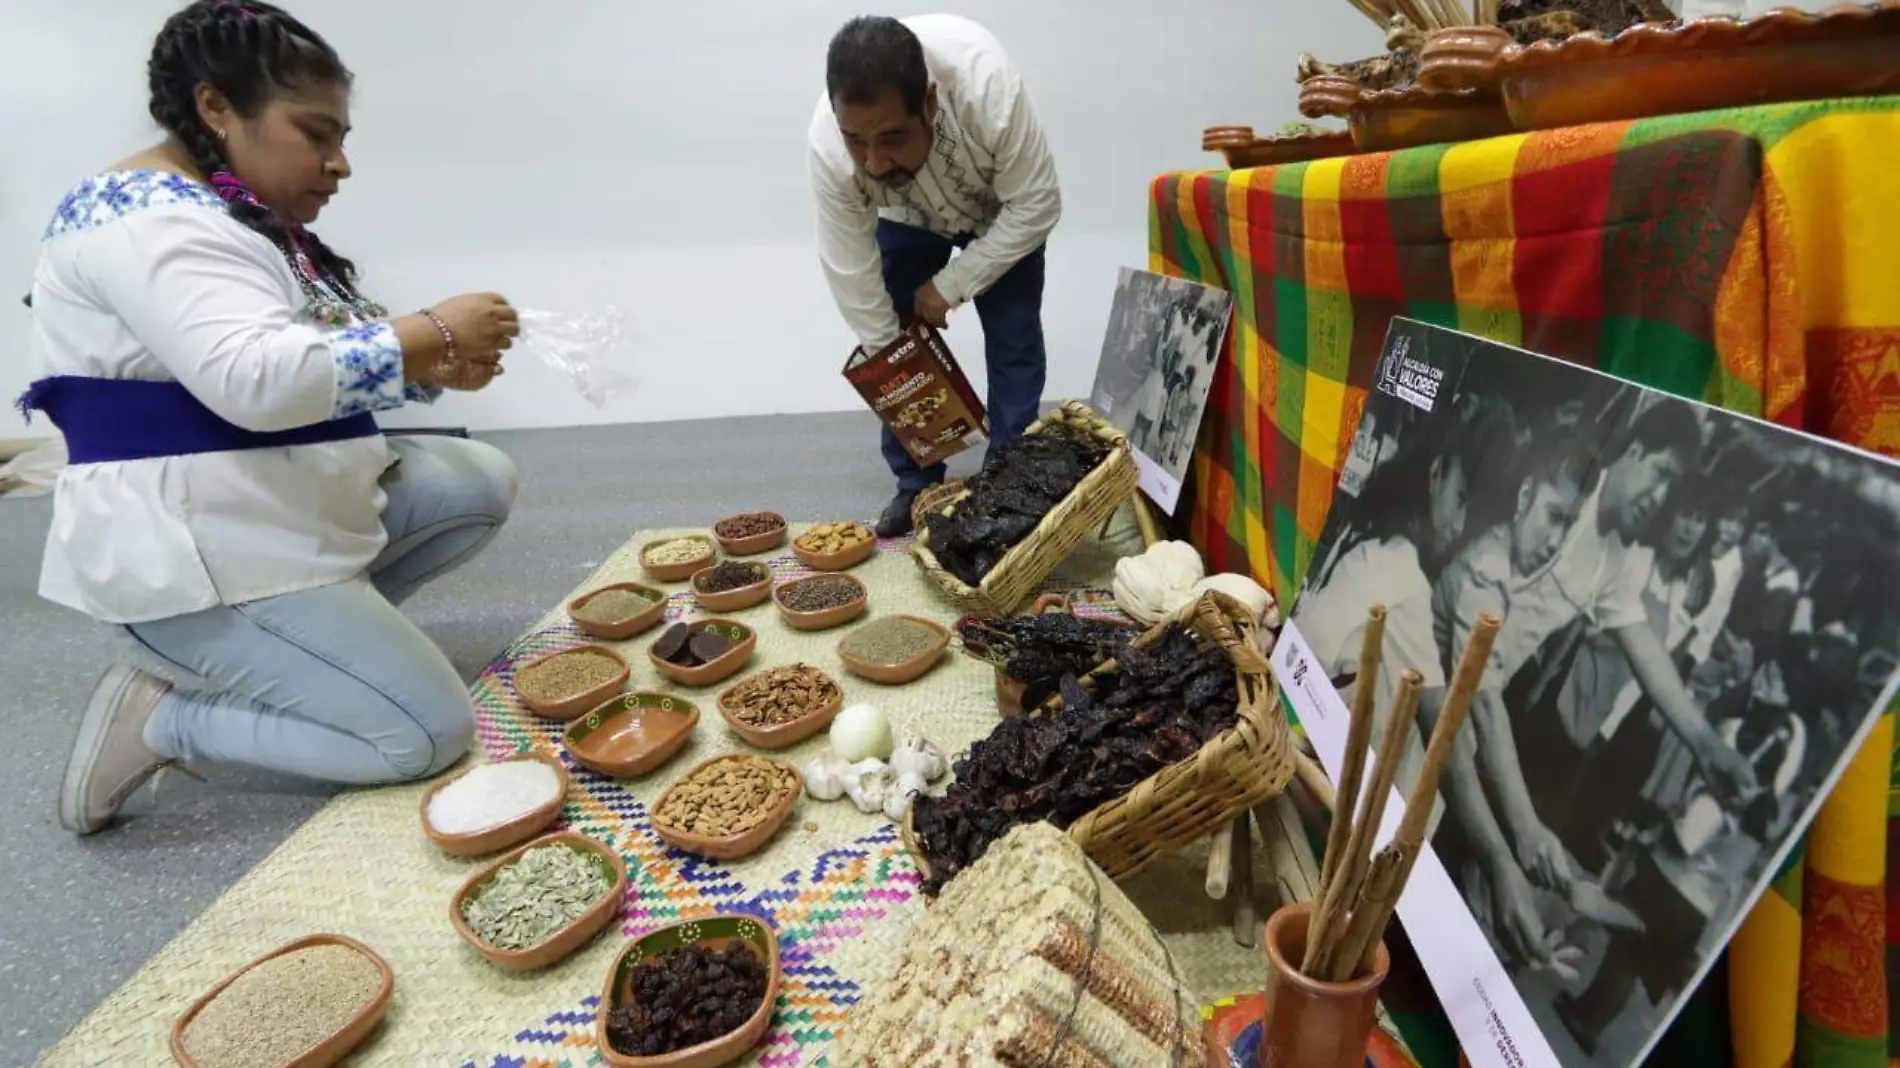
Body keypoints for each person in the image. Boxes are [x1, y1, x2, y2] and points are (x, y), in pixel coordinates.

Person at [22, 0, 521, 835]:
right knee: (426, 735)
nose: (338, 164)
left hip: (255, 503)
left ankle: (304, 653)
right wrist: (427, 331)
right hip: (201, 548)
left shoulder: (211, 207)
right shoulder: (153, 222)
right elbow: (256, 381)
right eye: (316, 135)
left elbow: (302, 350)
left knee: (475, 480)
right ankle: (161, 716)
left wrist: (431, 365)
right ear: (218, 107)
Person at [810, 14, 1062, 535]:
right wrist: (896, 359)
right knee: (893, 346)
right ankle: (916, 481)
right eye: (856, 140)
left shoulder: (987, 89)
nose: (874, 163)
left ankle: (1008, 482)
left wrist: (950, 285)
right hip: (904, 217)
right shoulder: (831, 150)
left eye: (893, 138)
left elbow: (1037, 204)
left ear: (928, 103)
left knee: (1013, 336)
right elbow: (851, 271)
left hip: (998, 209)